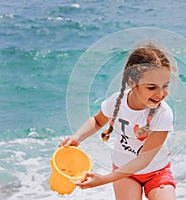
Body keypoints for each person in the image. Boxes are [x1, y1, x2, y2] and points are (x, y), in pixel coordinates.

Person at [60, 41, 177, 200]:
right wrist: (77, 137)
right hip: (124, 173)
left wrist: (104, 179)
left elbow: (144, 159)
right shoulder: (117, 101)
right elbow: (97, 120)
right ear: (132, 82)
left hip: (156, 172)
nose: (160, 93)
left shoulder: (163, 114)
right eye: (152, 87)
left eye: (165, 86)